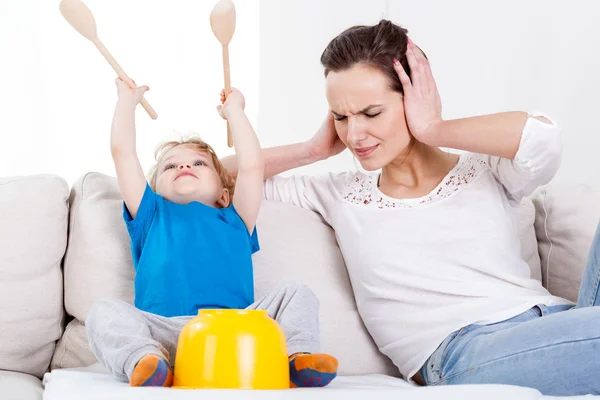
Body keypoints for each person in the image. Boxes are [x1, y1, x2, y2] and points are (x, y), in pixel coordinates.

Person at [222, 20, 600, 396]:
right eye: (340, 117)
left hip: (563, 320)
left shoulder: (486, 171)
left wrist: (433, 127)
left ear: (412, 98)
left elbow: (542, 138)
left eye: (371, 113)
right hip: (464, 352)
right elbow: (215, 177)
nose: (353, 135)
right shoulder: (338, 194)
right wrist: (313, 149)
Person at [85, 79, 338, 388]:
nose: (183, 167)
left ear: (223, 193)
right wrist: (126, 101)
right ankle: (147, 362)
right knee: (103, 312)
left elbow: (252, 166)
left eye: (198, 163)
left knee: (297, 292)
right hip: (164, 332)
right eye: (170, 166)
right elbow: (122, 152)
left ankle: (296, 358)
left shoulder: (236, 219)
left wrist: (236, 112)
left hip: (231, 333)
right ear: (156, 190)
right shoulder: (151, 214)